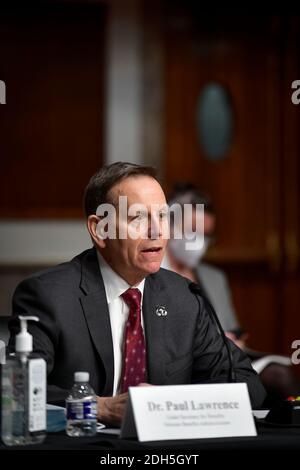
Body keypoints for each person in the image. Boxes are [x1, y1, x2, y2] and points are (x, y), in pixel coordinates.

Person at [8, 163, 265, 426]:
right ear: (100, 230)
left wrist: (171, 406)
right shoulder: (48, 296)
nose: (157, 232)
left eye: (163, 217)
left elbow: (248, 386)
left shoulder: (184, 297)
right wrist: (100, 408)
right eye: (138, 218)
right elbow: (19, 392)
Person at [163, 183, 298, 404]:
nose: (199, 242)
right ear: (168, 225)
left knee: (278, 375)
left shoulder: (214, 278)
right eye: (192, 231)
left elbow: (231, 328)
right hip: (184, 364)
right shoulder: (151, 274)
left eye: (207, 235)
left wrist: (234, 340)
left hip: (224, 359)